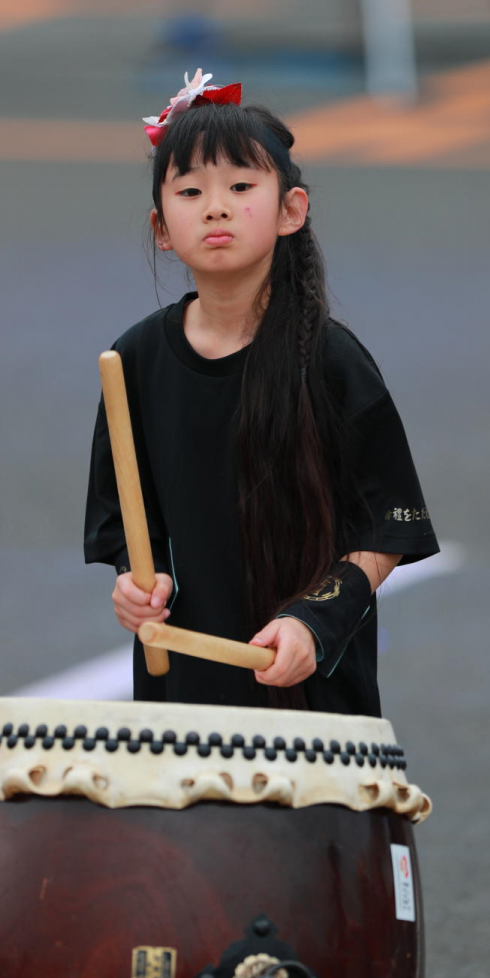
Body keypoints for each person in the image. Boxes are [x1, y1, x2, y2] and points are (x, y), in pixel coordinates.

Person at [85, 70, 438, 715]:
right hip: (182, 682)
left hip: (307, 681)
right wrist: (137, 586)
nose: (215, 206)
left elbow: (387, 526)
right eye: (190, 191)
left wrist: (312, 621)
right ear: (162, 228)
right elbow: (129, 526)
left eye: (242, 187)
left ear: (291, 210)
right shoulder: (133, 360)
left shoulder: (330, 360)